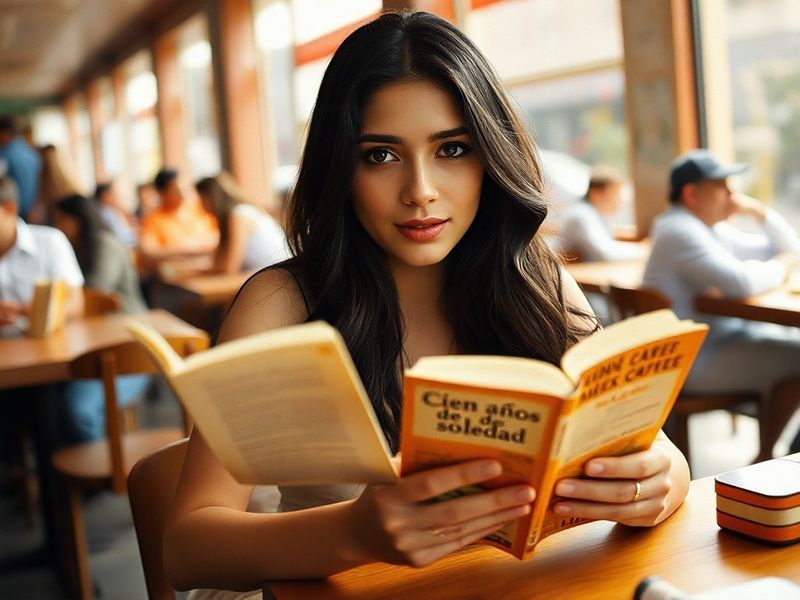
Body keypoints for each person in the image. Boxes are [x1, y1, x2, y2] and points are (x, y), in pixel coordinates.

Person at [164, 12, 691, 597]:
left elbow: (662, 457)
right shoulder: (281, 306)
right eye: (380, 156)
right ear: (341, 166)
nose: (420, 189)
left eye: (452, 149)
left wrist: (656, 483)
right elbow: (187, 550)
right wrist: (355, 532)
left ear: (491, 156)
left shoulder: (535, 281)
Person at [643, 149, 800, 461]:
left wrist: (759, 213)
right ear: (691, 194)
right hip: (690, 361)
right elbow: (741, 282)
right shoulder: (680, 230)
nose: (733, 195)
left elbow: (788, 248)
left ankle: (769, 454)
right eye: (724, 187)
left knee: (788, 346)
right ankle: (769, 456)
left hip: (702, 346)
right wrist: (782, 267)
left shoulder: (702, 228)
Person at [52, 193, 149, 444]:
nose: (57, 228)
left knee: (76, 410)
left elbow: (95, 295)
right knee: (46, 401)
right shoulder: (77, 248)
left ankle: (99, 479)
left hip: (128, 345)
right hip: (94, 344)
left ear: (77, 220)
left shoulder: (104, 244)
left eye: (60, 221)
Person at [195, 172, 290, 273]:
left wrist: (192, 272)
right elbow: (219, 262)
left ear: (212, 198)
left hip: (276, 276)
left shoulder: (239, 215)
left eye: (202, 200)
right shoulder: (237, 213)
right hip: (264, 273)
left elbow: (229, 268)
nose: (201, 206)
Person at [559, 165, 647, 262]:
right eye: (615, 194)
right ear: (596, 194)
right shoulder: (580, 215)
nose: (620, 200)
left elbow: (608, 247)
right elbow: (605, 254)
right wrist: (645, 250)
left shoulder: (596, 214)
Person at [138, 168, 219, 268]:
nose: (183, 192)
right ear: (163, 193)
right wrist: (189, 248)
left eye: (186, 187)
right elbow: (148, 253)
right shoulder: (153, 219)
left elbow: (219, 237)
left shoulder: (201, 209)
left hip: (210, 268)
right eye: (177, 189)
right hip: (175, 275)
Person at [0, 116, 42, 220]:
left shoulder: (5, 155)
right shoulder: (32, 153)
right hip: (34, 211)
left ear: (4, 133)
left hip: (11, 213)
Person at [94, 181, 139, 248]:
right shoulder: (106, 213)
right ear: (104, 196)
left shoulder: (111, 211)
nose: (115, 197)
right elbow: (123, 237)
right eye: (112, 194)